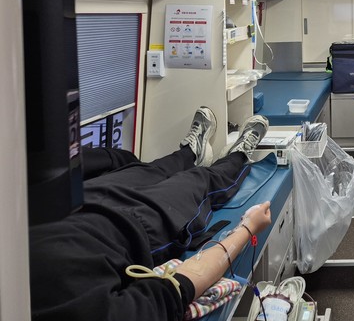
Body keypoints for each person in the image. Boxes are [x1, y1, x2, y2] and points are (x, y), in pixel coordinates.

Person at [29, 107, 274, 321]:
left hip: (83, 198)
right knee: (199, 180)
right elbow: (182, 283)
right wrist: (248, 227)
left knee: (157, 167)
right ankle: (238, 155)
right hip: (137, 225)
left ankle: (190, 152)